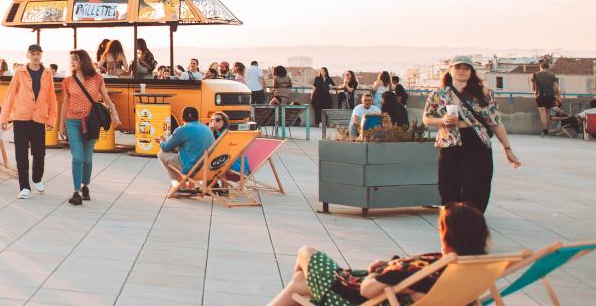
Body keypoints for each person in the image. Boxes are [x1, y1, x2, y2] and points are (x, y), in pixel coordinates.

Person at [269, 203, 491, 306]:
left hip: (349, 297)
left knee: (306, 253)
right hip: (382, 293)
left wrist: (381, 273)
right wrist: (389, 268)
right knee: (299, 282)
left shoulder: (427, 268)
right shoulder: (470, 267)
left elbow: (367, 290)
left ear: (447, 234)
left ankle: (318, 298)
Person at [422, 57, 519, 213]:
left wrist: (507, 149)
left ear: (471, 72)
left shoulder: (483, 94)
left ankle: (472, 221)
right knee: (447, 189)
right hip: (449, 143)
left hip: (476, 142)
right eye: (458, 67)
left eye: (466, 68)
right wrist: (443, 120)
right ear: (450, 70)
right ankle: (453, 221)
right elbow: (426, 118)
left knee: (476, 189)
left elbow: (495, 122)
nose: (461, 71)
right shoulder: (438, 94)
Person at [1, 44, 57, 199]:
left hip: (39, 119)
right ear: (28, 55)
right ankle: (24, 186)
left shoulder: (47, 73)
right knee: (21, 154)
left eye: (38, 54)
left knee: (39, 153)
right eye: (33, 54)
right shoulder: (20, 72)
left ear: (41, 55)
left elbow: (52, 98)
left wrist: (51, 118)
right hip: (21, 118)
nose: (36, 56)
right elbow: (10, 95)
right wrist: (4, 117)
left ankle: (37, 178)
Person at [62, 50, 113, 206]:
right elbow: (65, 104)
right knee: (77, 157)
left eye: (75, 59)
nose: (72, 62)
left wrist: (115, 114)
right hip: (72, 121)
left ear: (83, 61)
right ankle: (76, 191)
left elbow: (106, 99)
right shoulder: (68, 81)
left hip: (91, 123)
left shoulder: (97, 79)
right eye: (71, 59)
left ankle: (85, 185)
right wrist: (61, 125)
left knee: (87, 159)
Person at [159, 107, 214, 193]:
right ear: (197, 117)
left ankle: (182, 186)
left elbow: (166, 147)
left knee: (162, 154)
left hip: (192, 169)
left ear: (182, 118)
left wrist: (161, 141)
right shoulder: (206, 128)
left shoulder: (183, 129)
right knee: (193, 153)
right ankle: (190, 185)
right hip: (207, 169)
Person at [531, 58, 558, 137]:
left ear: (540, 67)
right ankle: (547, 132)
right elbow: (556, 88)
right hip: (550, 96)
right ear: (548, 68)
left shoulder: (534, 75)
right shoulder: (552, 75)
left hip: (540, 96)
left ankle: (544, 132)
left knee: (543, 114)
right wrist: (559, 96)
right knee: (547, 113)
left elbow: (532, 88)